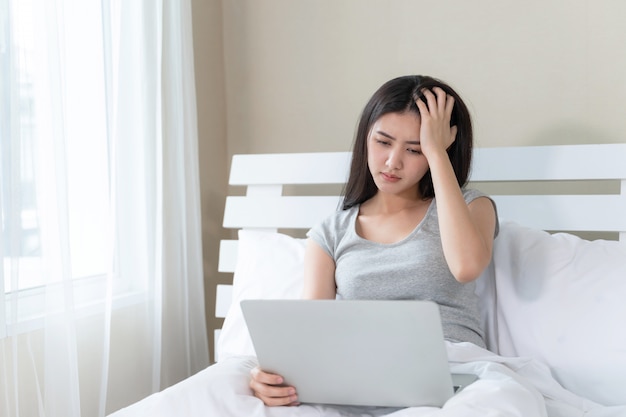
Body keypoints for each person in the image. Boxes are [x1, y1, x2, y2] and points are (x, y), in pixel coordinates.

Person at [249, 74, 499, 407]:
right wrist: (269, 377)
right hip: (361, 379)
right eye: (383, 142)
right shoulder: (330, 233)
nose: (393, 162)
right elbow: (308, 335)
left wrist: (436, 153)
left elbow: (467, 266)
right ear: (365, 137)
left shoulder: (471, 206)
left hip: (454, 376)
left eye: (414, 149)